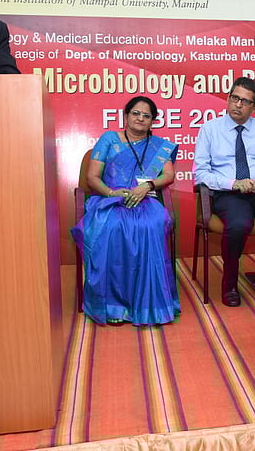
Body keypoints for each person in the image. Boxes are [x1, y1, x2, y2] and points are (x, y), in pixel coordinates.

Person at [70, 96, 180, 325]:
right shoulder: (109, 139)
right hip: (110, 199)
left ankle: (148, 303)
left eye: (146, 116)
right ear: (126, 116)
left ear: (152, 121)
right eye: (136, 113)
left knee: (151, 225)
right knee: (112, 227)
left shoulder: (159, 146)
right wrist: (112, 193)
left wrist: (147, 186)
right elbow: (92, 177)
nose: (140, 118)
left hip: (146, 199)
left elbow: (168, 175)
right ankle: (114, 305)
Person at [193, 77, 255, 307]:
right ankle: (229, 283)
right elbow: (201, 174)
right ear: (228, 98)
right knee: (239, 224)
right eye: (234, 98)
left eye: (245, 101)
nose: (238, 104)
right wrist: (233, 183)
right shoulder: (210, 129)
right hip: (228, 192)